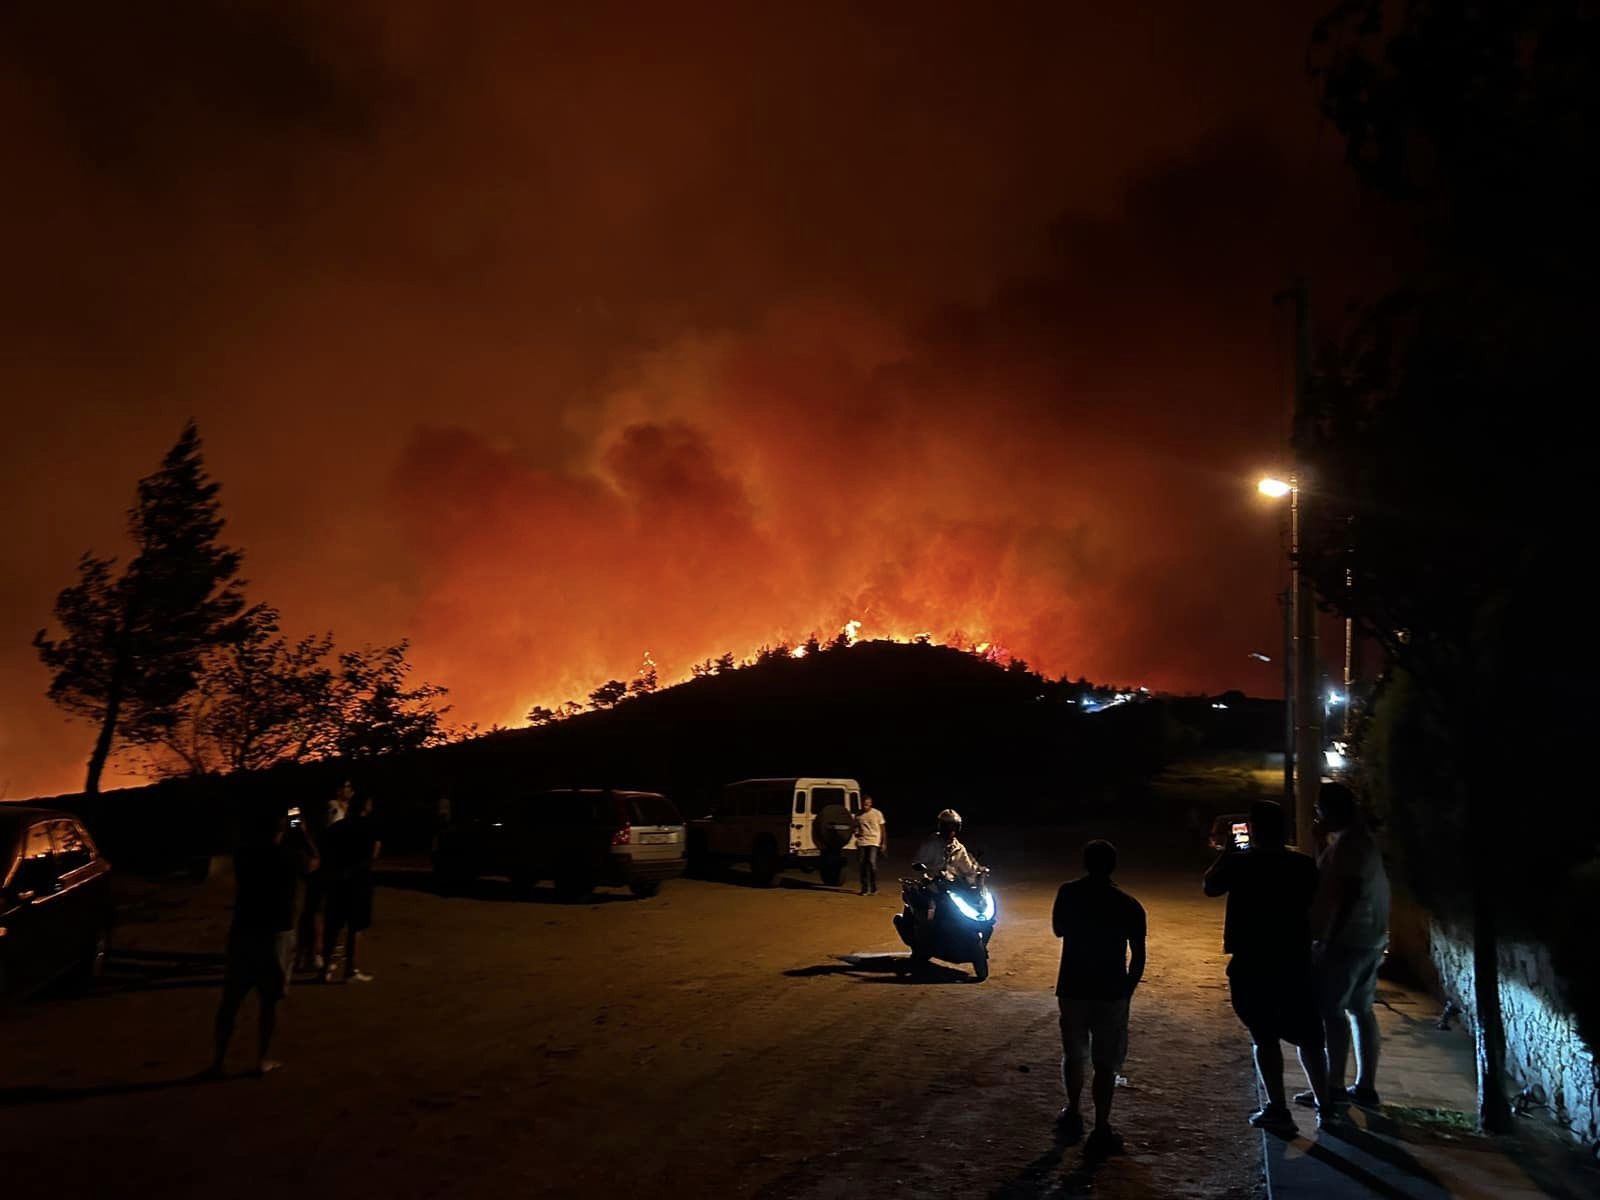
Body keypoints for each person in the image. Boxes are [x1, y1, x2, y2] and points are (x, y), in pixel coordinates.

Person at [1204, 799, 1333, 1136]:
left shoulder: (1242, 863)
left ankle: (1277, 1108)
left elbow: (1210, 886)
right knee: (1309, 1035)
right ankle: (1326, 1104)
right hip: (1294, 958)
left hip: (1253, 960)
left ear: (1255, 830)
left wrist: (1230, 851)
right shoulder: (1303, 866)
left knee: (1264, 1037)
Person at [1297, 782, 1391, 1111]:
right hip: (1368, 938)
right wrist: (1320, 841)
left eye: (1320, 811)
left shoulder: (1352, 845)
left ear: (1332, 810)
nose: (1318, 817)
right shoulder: (1356, 841)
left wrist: (1328, 938)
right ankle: (1364, 1086)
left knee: (1332, 1011)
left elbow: (1347, 893)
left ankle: (1334, 1085)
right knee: (1360, 1010)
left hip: (1348, 941)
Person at [209, 805, 318, 1077]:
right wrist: (303, 833)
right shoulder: (290, 857)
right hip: (276, 936)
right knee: (270, 1002)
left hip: (244, 932)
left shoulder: (244, 857)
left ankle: (218, 1060)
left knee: (230, 1001)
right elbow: (315, 861)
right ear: (281, 830)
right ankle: (262, 1059)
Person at [1052, 839, 1146, 1156]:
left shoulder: (1068, 893)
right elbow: (1138, 956)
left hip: (1073, 985)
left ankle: (1073, 1109)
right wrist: (1127, 990)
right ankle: (1102, 1126)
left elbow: (1058, 929)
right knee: (1105, 1062)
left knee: (1074, 1054)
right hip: (1110, 991)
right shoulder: (1128, 904)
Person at [321, 786, 381, 984]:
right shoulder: (369, 826)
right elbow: (372, 854)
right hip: (359, 881)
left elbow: (327, 851)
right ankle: (349, 969)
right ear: (366, 805)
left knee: (333, 926)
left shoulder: (337, 828)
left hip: (338, 880)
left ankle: (325, 970)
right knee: (355, 927)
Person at [914, 808, 982, 885]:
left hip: (951, 884)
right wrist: (925, 875)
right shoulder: (931, 844)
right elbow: (918, 863)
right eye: (947, 826)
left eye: (954, 827)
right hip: (932, 884)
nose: (951, 830)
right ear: (941, 827)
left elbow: (967, 868)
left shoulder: (959, 848)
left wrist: (977, 872)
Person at [854, 795, 887, 895]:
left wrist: (883, 842)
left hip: (874, 841)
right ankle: (864, 888)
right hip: (862, 841)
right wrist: (856, 835)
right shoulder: (858, 815)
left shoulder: (877, 814)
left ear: (871, 804)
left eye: (868, 804)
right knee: (862, 865)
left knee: (872, 864)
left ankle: (873, 887)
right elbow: (855, 827)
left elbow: (883, 829)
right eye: (864, 804)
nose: (866, 806)